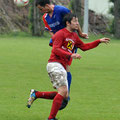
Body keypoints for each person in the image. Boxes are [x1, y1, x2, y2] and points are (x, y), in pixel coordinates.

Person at [27, 13, 110, 120]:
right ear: (68, 23)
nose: (77, 23)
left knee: (64, 95)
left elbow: (84, 47)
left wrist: (98, 41)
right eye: (75, 21)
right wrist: (71, 54)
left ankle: (36, 94)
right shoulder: (60, 34)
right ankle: (51, 118)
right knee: (63, 91)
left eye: (77, 21)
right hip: (55, 64)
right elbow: (55, 49)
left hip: (61, 66)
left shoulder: (74, 36)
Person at [34, 0, 88, 109]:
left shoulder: (62, 10)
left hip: (68, 43)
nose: (41, 11)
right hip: (58, 45)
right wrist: (54, 39)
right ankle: (62, 95)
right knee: (60, 67)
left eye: (41, 8)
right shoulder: (45, 17)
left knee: (66, 67)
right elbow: (51, 31)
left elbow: (74, 21)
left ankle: (65, 96)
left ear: (47, 5)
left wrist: (80, 33)